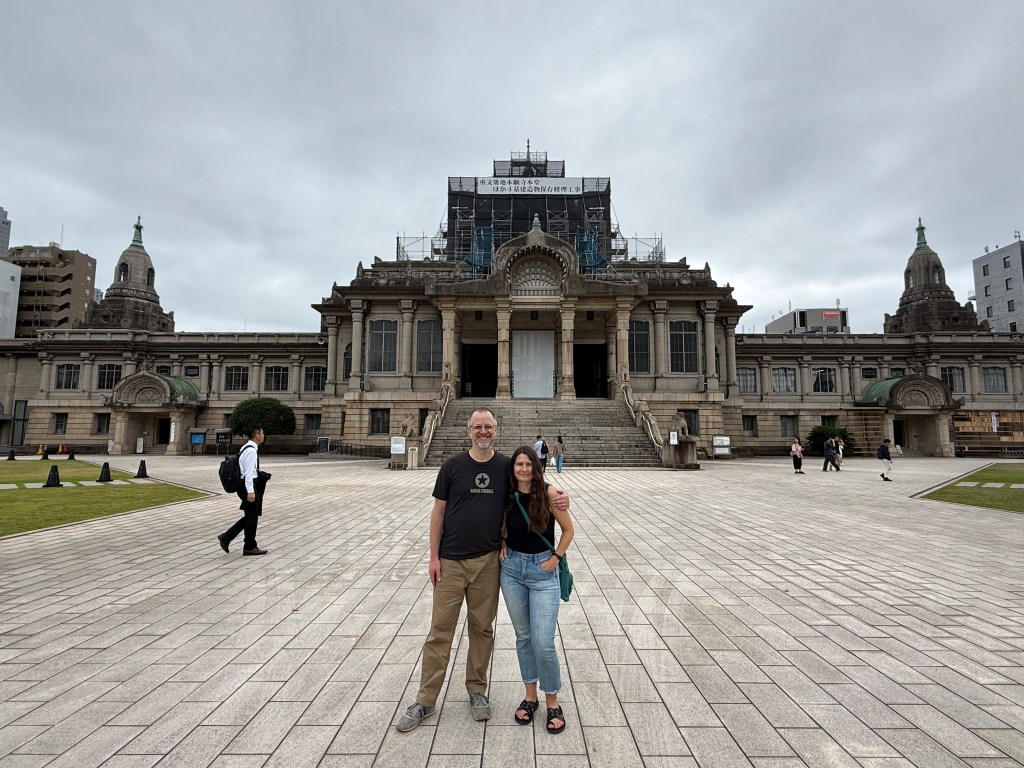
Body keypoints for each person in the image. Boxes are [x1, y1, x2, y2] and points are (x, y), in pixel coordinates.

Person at [397, 409, 569, 732]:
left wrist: (559, 496)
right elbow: (438, 514)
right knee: (439, 632)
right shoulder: (451, 467)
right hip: (450, 561)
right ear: (468, 431)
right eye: (478, 427)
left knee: (482, 630)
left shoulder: (505, 466)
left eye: (488, 426)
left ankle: (477, 691)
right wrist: (433, 557)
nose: (483, 431)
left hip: (489, 562)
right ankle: (425, 699)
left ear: (495, 430)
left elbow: (530, 483)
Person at [501, 446, 574, 734]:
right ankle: (530, 696)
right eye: (519, 464)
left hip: (543, 572)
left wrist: (555, 558)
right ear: (513, 468)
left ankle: (552, 700)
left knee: (543, 641)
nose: (524, 469)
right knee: (523, 636)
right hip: (512, 571)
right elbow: (501, 525)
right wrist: (502, 543)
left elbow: (569, 530)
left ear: (537, 466)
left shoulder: (550, 493)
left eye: (529, 464)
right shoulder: (507, 495)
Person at [217, 426, 270, 556]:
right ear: (257, 435)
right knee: (251, 516)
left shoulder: (246, 447)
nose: (264, 435)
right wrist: (250, 491)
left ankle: (236, 540)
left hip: (245, 486)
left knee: (251, 516)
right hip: (248, 487)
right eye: (262, 433)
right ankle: (245, 544)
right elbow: (248, 474)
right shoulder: (251, 451)